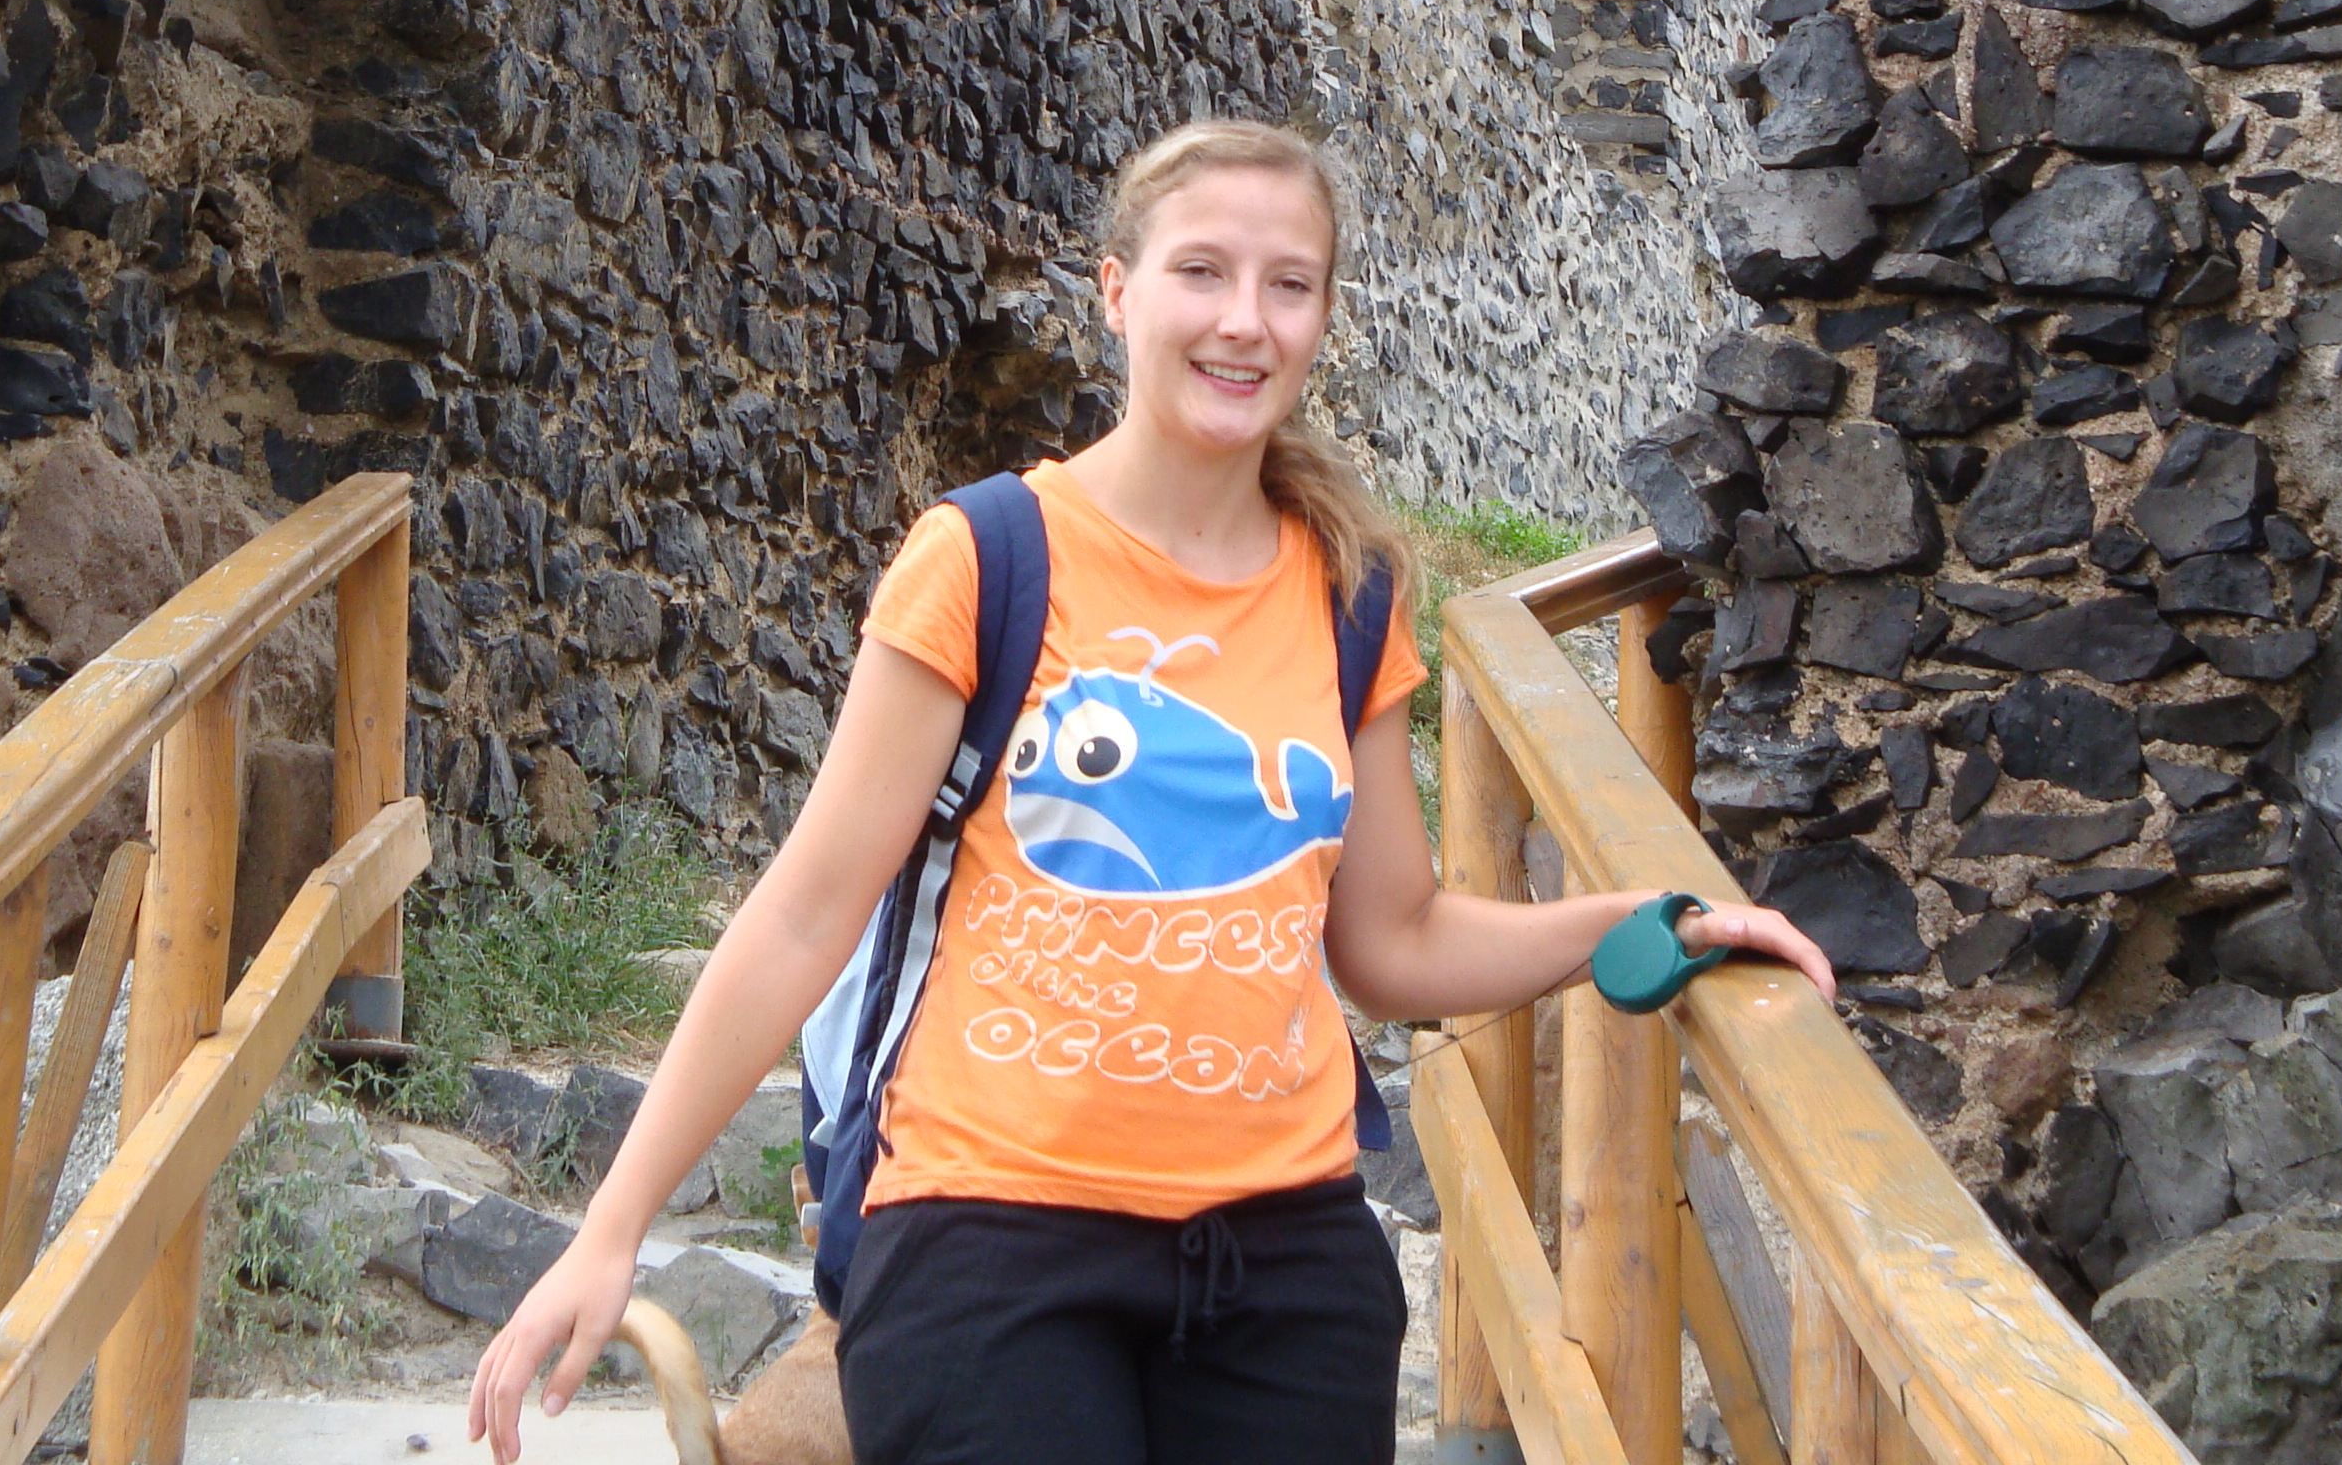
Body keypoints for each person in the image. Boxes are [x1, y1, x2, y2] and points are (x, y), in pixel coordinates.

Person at [468, 118, 1835, 1464]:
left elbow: (1394, 941)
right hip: (991, 1241)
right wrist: (610, 1231)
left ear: (1323, 318)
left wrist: (1635, 924)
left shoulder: (1350, 593)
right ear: (1117, 292)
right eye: (1202, 272)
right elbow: (803, 916)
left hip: (1283, 1265)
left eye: (1288, 285)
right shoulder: (985, 558)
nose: (1245, 320)